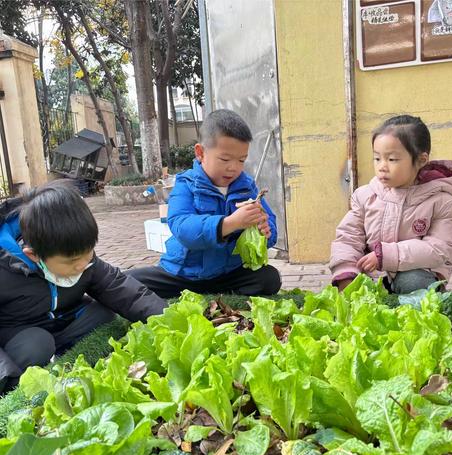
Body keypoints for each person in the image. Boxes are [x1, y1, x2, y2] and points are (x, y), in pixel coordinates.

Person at [0, 181, 166, 392]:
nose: (82, 266)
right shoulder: (4, 270)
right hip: (21, 333)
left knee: (103, 313)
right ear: (33, 255)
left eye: (87, 255)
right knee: (37, 345)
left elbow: (118, 286)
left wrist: (164, 317)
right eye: (71, 262)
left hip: (64, 321)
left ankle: (62, 350)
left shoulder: (80, 258)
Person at [129, 109, 281, 297]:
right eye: (225, 159)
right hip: (184, 275)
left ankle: (220, 293)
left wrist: (265, 231)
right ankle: (213, 293)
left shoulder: (246, 187)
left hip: (228, 273)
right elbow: (182, 227)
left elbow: (270, 225)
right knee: (128, 282)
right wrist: (230, 223)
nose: (233, 167)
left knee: (269, 278)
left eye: (241, 160)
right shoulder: (186, 185)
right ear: (200, 153)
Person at [330, 114, 452, 294]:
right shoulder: (365, 196)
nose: (382, 166)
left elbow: (438, 249)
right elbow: (348, 237)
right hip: (377, 274)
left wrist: (385, 256)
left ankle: (422, 307)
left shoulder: (443, 202)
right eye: (377, 158)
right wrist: (346, 271)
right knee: (352, 282)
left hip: (421, 273)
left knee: (412, 281)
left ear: (421, 160)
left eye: (392, 159)